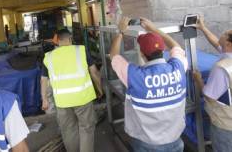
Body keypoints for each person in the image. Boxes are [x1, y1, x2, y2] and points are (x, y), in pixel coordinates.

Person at [110, 17, 188, 152]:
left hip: (146, 144)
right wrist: (154, 29)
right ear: (163, 50)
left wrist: (120, 32)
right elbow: (176, 47)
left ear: (141, 53)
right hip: (175, 140)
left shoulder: (134, 75)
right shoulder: (178, 68)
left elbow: (114, 56)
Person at [41, 28, 103, 152]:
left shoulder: (48, 57)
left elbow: (44, 80)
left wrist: (45, 100)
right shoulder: (81, 50)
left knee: (69, 130)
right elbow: (94, 72)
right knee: (86, 128)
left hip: (62, 102)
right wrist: (100, 89)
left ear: (57, 41)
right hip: (83, 98)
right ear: (70, 39)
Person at [193, 16, 232, 152]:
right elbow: (216, 42)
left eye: (225, 34)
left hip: (226, 126)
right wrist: (203, 28)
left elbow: (209, 96)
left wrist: (198, 79)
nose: (222, 33)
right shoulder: (228, 55)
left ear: (228, 44)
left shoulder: (221, 68)